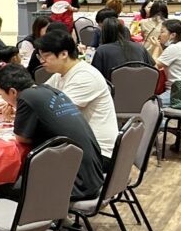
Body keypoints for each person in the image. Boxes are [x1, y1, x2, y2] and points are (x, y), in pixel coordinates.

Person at [0, 64, 105, 231]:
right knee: (24, 176)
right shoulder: (47, 90)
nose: (3, 99)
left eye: (2, 94)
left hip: (76, 183)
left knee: (4, 184)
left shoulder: (26, 98)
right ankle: (63, 224)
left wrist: (17, 112)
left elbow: (22, 138)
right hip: (92, 173)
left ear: (13, 91)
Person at [35, 30, 118, 162]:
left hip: (98, 153)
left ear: (64, 54)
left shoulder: (85, 76)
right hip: (78, 146)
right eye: (40, 56)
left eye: (46, 56)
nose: (42, 61)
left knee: (34, 164)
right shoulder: (60, 75)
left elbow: (58, 114)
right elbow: (38, 95)